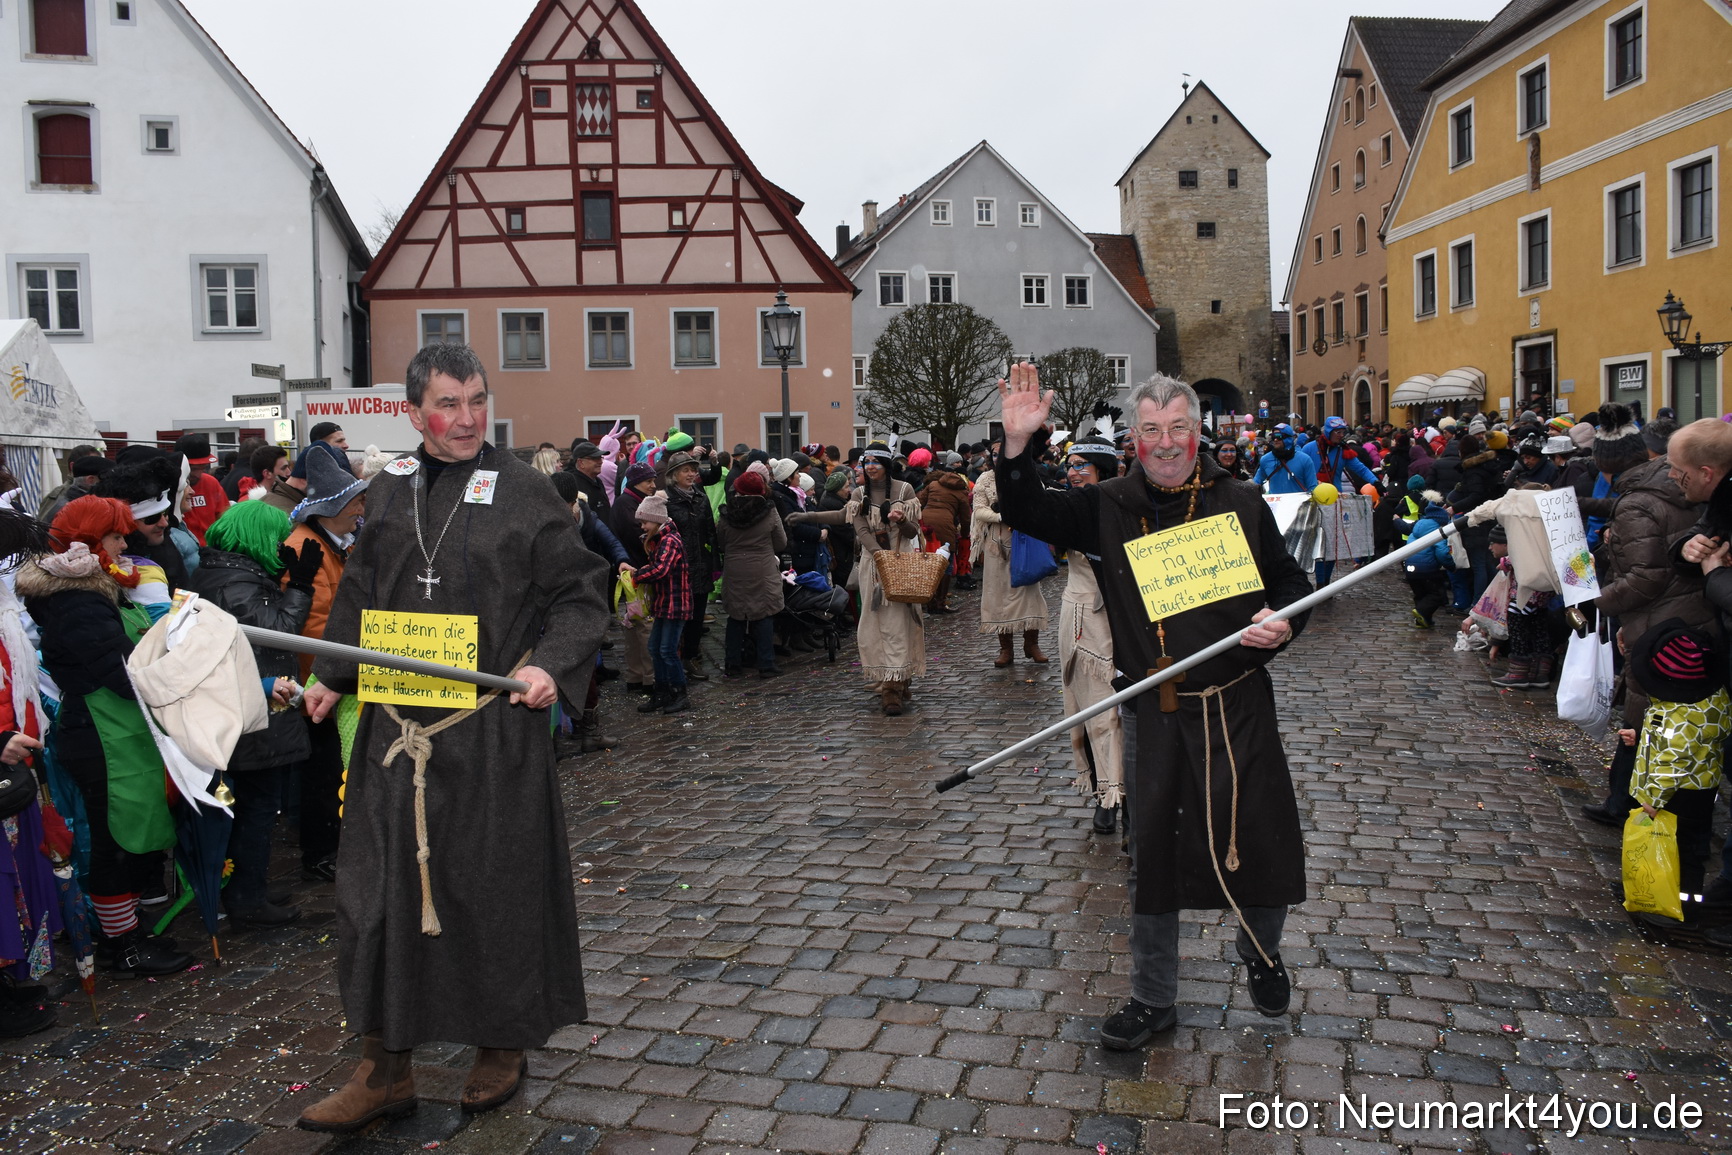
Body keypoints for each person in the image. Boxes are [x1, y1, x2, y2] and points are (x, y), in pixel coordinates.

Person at [297, 343, 608, 1130]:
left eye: (477, 400)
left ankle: (500, 1044)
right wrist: (332, 672)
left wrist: (549, 664)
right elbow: (363, 590)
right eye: (448, 403)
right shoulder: (389, 490)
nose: (466, 418)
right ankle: (384, 1066)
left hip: (490, 733)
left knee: (488, 891)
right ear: (413, 412)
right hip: (395, 733)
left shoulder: (526, 489)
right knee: (377, 896)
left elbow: (580, 597)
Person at [993, 365, 1312, 1050]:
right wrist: (1017, 447)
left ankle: (1260, 947)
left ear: (1199, 433)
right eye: (1151, 431)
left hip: (1238, 703)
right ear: (1134, 438)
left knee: (1262, 837)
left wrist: (1282, 618)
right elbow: (1029, 511)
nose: (1166, 443)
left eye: (1178, 429)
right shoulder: (1107, 504)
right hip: (1154, 709)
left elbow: (1291, 582)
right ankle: (1153, 998)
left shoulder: (1243, 501)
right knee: (1153, 858)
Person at [20, 497, 193, 978]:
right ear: (90, 543)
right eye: (116, 537)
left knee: (130, 837)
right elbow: (123, 673)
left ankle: (127, 932)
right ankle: (123, 944)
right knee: (116, 842)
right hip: (100, 736)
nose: (125, 544)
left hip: (113, 732)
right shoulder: (76, 601)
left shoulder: (88, 592)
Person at [190, 501, 319, 925]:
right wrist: (300, 585)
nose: (283, 545)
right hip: (251, 718)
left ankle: (250, 887)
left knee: (255, 807)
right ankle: (246, 898)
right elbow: (278, 633)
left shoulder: (228, 573)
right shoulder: (234, 583)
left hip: (253, 713)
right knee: (254, 809)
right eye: (277, 537)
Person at [284, 450, 369, 882]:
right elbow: (316, 625)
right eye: (354, 502)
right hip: (318, 682)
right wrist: (348, 663)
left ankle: (328, 843)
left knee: (327, 767)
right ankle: (319, 852)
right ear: (333, 507)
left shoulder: (328, 543)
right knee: (320, 771)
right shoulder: (308, 548)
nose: (360, 509)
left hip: (330, 676)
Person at [792, 442, 924, 715]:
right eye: (867, 462)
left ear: (886, 464)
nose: (871, 466)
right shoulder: (859, 493)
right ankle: (889, 684)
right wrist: (807, 516)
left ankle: (898, 681)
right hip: (874, 566)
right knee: (877, 624)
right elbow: (853, 523)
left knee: (901, 623)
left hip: (901, 562)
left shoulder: (905, 490)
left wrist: (900, 521)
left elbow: (912, 532)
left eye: (877, 461)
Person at [1619, 621, 1730, 938]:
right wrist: (1642, 735)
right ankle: (1662, 895)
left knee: (1682, 854)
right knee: (1684, 850)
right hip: (1700, 789)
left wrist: (1653, 799)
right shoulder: (1712, 702)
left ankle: (1685, 910)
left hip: (1677, 795)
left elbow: (1672, 762)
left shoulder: (1676, 716)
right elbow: (1689, 741)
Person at [1057, 435, 1125, 836]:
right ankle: (1106, 794)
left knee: (1126, 710)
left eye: (1083, 465)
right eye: (1071, 465)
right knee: (1091, 707)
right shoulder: (1067, 509)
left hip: (1128, 616)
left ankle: (1130, 793)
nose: (1074, 472)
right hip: (1083, 615)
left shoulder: (1127, 505)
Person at [972, 454, 1050, 667]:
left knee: (1029, 592)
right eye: (995, 453)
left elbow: (1040, 500)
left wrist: (1022, 512)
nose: (1000, 456)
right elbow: (978, 510)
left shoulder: (1028, 475)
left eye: (1003, 451)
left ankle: (1031, 644)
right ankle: (1006, 649)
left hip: (1024, 541)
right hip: (997, 545)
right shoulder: (985, 479)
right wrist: (1001, 516)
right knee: (999, 597)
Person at [715, 469, 786, 679]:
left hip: (735, 568)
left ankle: (732, 664)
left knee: (736, 616)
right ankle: (766, 663)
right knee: (763, 615)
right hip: (762, 567)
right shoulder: (769, 511)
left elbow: (721, 542)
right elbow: (781, 541)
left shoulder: (726, 514)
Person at [659, 449, 719, 682]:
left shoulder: (700, 497)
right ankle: (675, 660)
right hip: (678, 569)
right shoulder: (666, 500)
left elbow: (710, 532)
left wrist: (714, 562)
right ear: (674, 474)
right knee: (679, 619)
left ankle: (690, 658)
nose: (691, 474)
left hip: (701, 566)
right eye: (686, 470)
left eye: (693, 469)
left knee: (697, 618)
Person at [632, 492, 692, 714]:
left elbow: (661, 570)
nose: (642, 527)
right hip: (664, 603)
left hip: (676, 603)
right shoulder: (659, 540)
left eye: (644, 522)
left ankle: (679, 693)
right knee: (655, 648)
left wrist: (637, 575)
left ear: (656, 520)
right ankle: (663, 692)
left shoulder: (670, 541)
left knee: (667, 649)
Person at [609, 462, 659, 695]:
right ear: (635, 481)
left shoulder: (633, 501)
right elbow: (639, 536)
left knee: (637, 627)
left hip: (637, 574)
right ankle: (646, 679)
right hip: (636, 576)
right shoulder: (626, 504)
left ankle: (637, 676)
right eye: (648, 481)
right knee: (642, 628)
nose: (652, 485)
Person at [917, 454, 971, 614]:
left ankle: (928, 601)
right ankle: (940, 603)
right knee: (946, 564)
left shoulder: (933, 484)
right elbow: (965, 518)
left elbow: (919, 502)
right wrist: (966, 535)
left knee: (926, 561)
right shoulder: (961, 493)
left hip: (926, 524)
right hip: (946, 526)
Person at [174, 434, 231, 545]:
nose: (198, 474)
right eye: (193, 468)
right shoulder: (168, 487)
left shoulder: (211, 483)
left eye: (203, 468)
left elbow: (225, 521)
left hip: (211, 551)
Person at [1251, 427, 1318, 495]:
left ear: (1288, 438)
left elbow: (1312, 488)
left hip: (1299, 504)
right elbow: (1256, 483)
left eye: (1279, 436)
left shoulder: (1305, 459)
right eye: (1273, 437)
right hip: (1274, 504)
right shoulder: (1265, 459)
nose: (1275, 439)